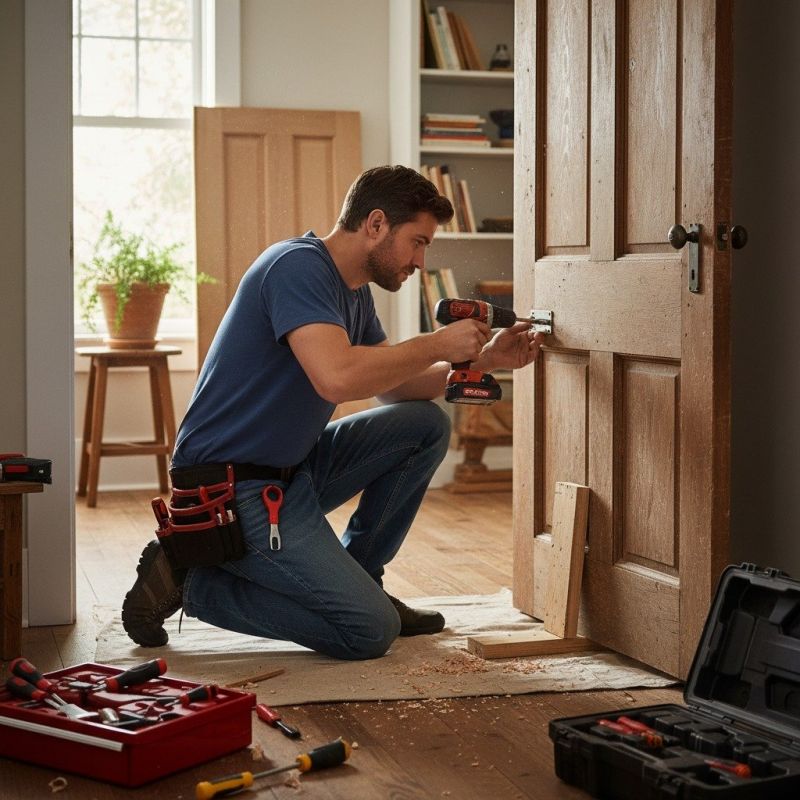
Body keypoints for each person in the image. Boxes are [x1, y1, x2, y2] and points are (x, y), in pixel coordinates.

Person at [121, 165, 544, 660]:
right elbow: (337, 377)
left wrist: (486, 358)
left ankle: (363, 579)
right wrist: (436, 343)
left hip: (288, 470)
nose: (420, 261)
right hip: (232, 491)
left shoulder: (354, 291)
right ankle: (193, 579)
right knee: (368, 631)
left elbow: (397, 387)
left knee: (425, 424)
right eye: (418, 242)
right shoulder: (296, 267)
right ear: (376, 224)